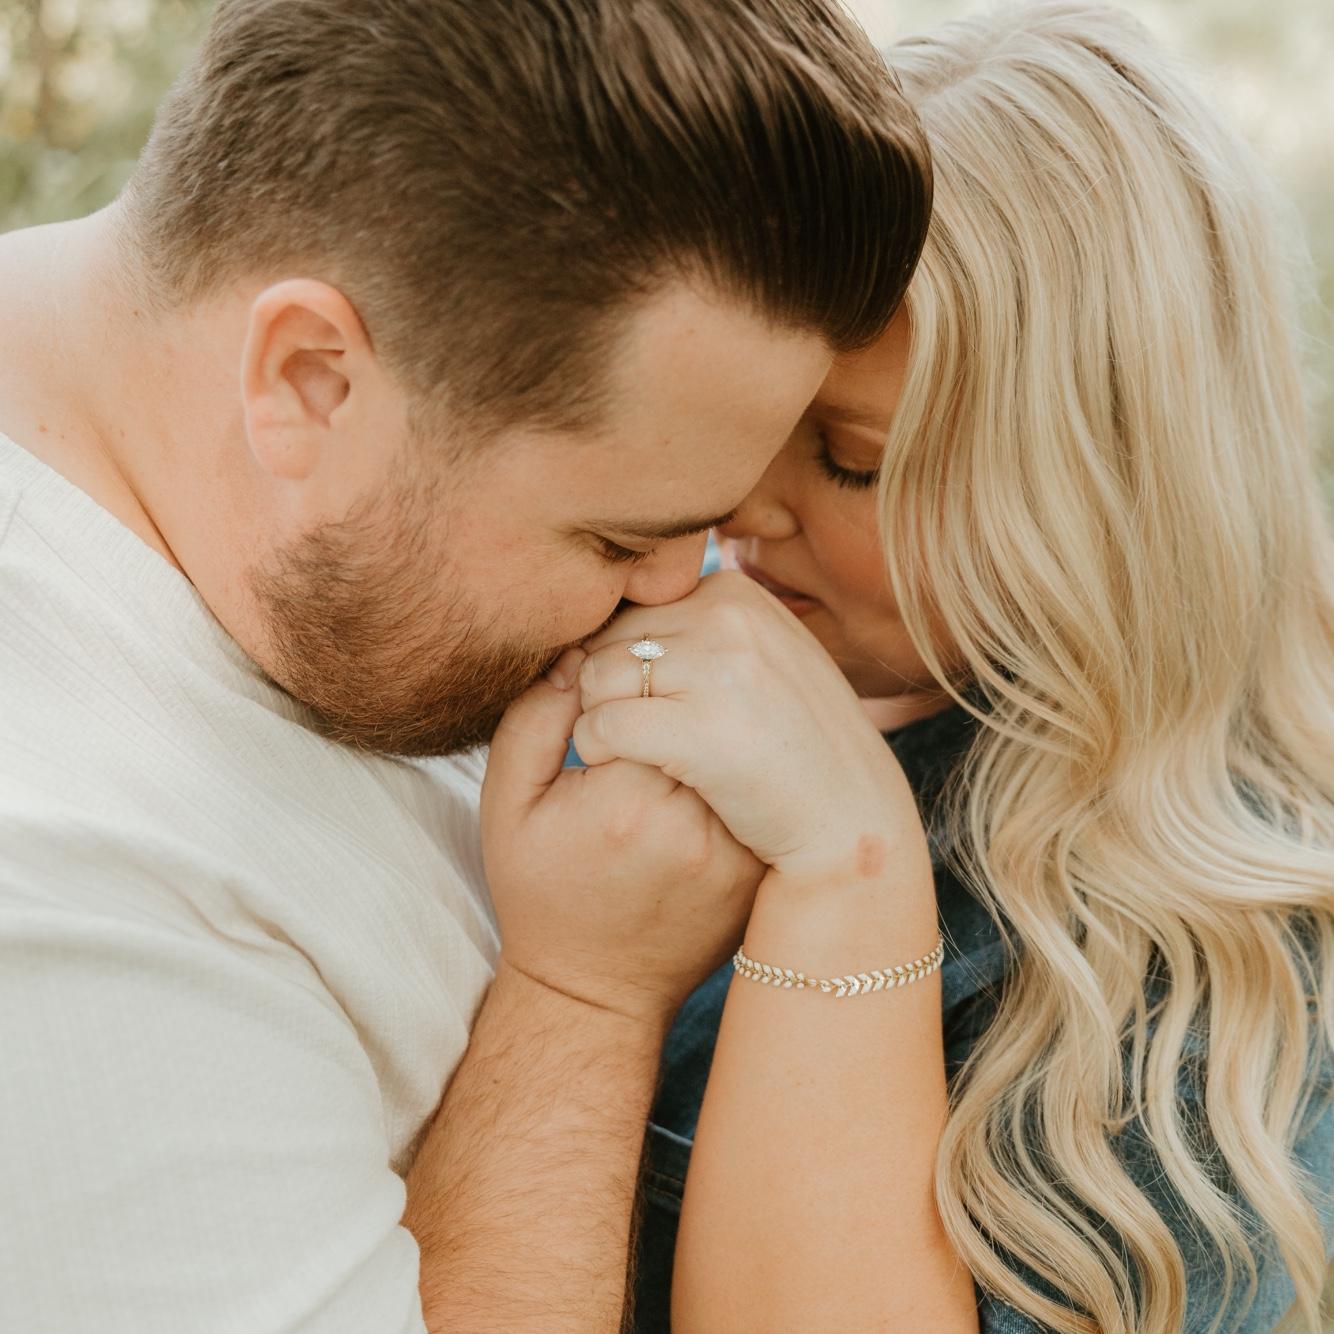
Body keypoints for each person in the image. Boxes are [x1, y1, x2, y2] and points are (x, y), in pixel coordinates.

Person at [0, 2, 936, 1329]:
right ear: (312, 379)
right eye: (618, 540)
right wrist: (584, 998)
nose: (687, 591)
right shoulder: (57, 910)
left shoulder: (266, 532)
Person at [599, 4, 1334, 1331]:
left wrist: (848, 862)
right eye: (747, 416)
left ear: (1103, 500)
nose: (738, 503)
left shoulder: (1234, 993)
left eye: (852, 461)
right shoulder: (619, 661)